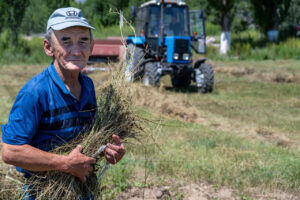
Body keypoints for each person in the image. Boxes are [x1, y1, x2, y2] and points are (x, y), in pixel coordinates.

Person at [1, 7, 125, 198]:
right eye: (65, 41)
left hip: (83, 190)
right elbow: (11, 151)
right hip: (44, 192)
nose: (76, 50)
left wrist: (109, 151)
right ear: (48, 47)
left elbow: (87, 140)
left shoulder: (88, 87)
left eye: (83, 41)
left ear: (91, 46)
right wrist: (65, 164)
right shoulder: (35, 92)